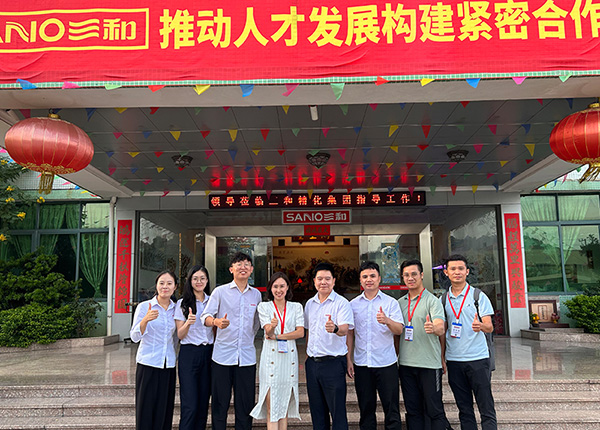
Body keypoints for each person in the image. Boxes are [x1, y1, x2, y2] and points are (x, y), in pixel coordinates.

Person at [200, 252, 261, 430]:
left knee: (245, 405)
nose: (243, 267)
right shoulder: (220, 292)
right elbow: (205, 317)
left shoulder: (256, 295)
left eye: (247, 264)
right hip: (222, 357)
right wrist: (216, 322)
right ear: (231, 269)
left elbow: (255, 324)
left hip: (246, 358)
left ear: (251, 270)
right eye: (239, 264)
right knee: (220, 404)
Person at [347, 261, 405, 430]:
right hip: (362, 364)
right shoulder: (353, 305)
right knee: (366, 410)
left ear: (379, 278)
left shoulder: (390, 303)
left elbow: (399, 330)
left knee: (392, 409)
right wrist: (349, 359)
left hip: (386, 363)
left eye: (372, 276)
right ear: (360, 280)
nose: (369, 280)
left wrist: (387, 321)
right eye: (365, 277)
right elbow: (350, 334)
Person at [442, 255, 497, 430]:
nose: (457, 272)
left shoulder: (478, 296)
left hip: (478, 359)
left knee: (485, 406)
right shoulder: (443, 299)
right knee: (464, 408)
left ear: (467, 271)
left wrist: (481, 325)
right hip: (454, 360)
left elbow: (489, 326)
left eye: (460, 268)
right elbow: (443, 331)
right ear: (446, 272)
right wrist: (442, 357)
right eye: (453, 269)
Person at [397, 259, 450, 430]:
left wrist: (434, 328)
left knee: (434, 409)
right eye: (406, 275)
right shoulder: (400, 303)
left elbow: (441, 327)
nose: (410, 278)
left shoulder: (432, 301)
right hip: (406, 364)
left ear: (421, 275)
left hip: (429, 365)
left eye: (414, 274)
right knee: (413, 410)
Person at [250, 272, 305, 430]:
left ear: (287, 288)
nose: (279, 290)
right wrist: (272, 326)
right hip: (271, 359)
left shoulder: (296, 307)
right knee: (272, 407)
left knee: (284, 406)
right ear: (270, 288)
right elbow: (267, 331)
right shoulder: (264, 306)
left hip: (289, 357)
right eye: (275, 286)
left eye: (282, 286)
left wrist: (278, 336)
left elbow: (300, 332)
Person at [304, 261, 354, 430]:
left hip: (333, 364)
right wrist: (308, 356)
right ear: (314, 281)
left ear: (333, 281)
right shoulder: (309, 304)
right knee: (317, 413)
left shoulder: (341, 303)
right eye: (319, 279)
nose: (323, 282)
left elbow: (345, 329)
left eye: (327, 278)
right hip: (312, 364)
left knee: (337, 412)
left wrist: (335, 328)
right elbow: (309, 331)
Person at [130, 271, 178, 430]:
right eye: (161, 283)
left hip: (168, 365)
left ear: (175, 287)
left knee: (164, 409)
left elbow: (175, 338)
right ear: (156, 286)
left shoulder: (176, 309)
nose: (165, 287)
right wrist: (145, 320)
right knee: (145, 409)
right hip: (148, 364)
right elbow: (134, 337)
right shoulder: (144, 307)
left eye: (169, 283)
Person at [175, 265, 214, 430]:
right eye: (195, 278)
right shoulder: (182, 303)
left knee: (204, 402)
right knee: (190, 403)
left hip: (209, 353)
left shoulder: (213, 301)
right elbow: (180, 335)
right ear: (190, 281)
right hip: (189, 354)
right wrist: (188, 323)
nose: (199, 282)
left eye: (202, 278)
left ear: (207, 280)